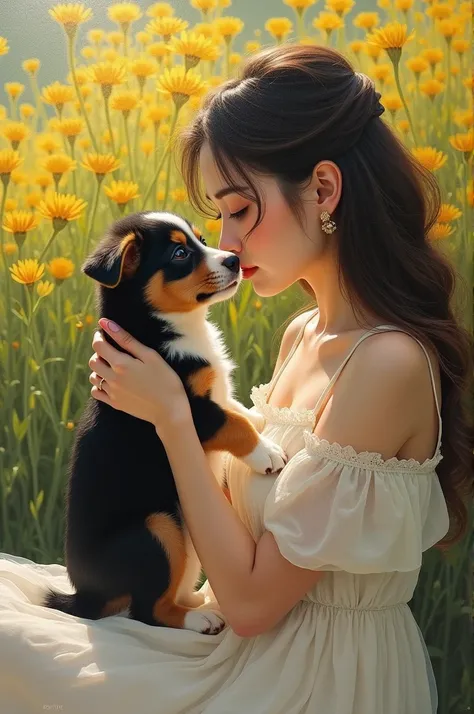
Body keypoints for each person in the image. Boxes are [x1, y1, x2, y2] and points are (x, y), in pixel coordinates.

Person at [0, 44, 473, 714]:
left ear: (325, 189)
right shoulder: (302, 335)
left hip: (319, 681)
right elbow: (240, 538)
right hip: (245, 647)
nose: (228, 241)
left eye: (240, 210)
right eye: (217, 216)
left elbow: (252, 602)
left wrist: (173, 418)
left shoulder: (386, 363)